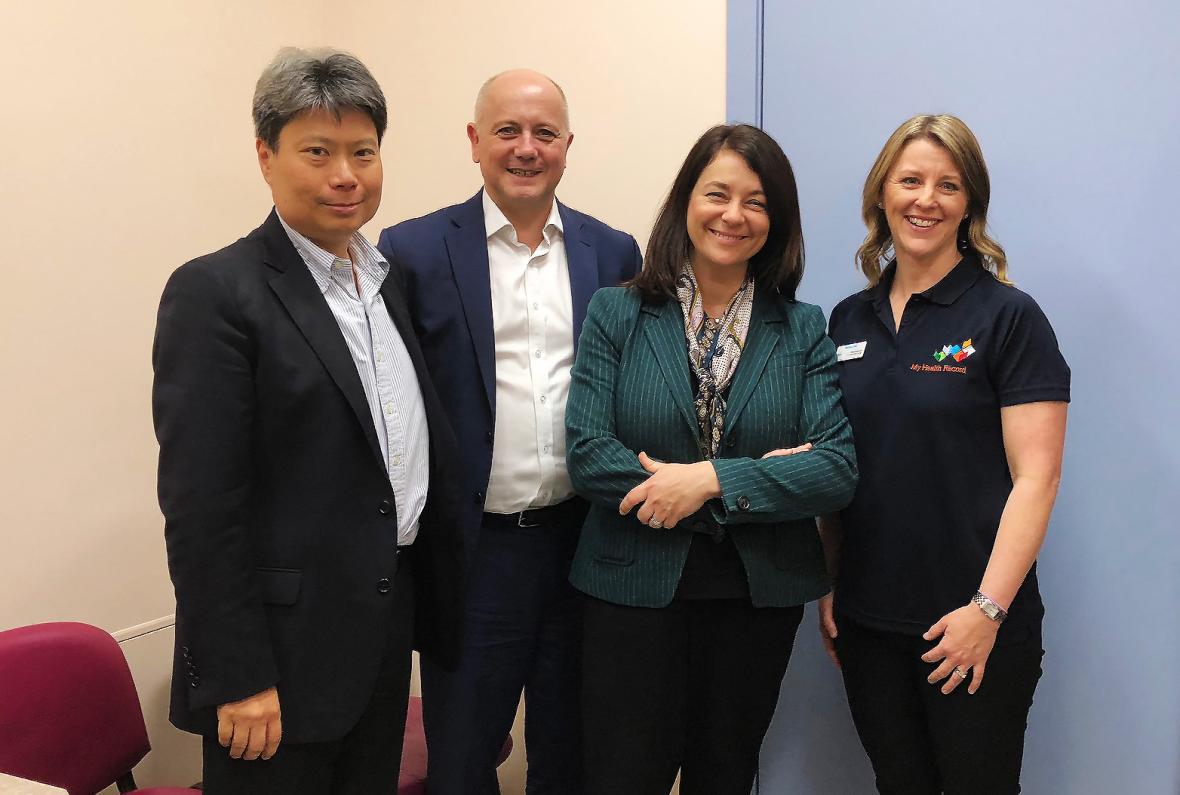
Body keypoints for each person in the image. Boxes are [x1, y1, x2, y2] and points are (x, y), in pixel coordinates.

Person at [152, 48, 464, 794]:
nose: (346, 175)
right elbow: (201, 507)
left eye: (363, 152)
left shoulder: (384, 283)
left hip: (379, 637)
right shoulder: (216, 293)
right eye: (317, 152)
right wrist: (238, 676)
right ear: (266, 155)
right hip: (276, 664)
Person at [564, 123, 858, 795]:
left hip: (755, 594)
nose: (733, 214)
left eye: (755, 201)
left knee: (724, 775)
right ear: (686, 202)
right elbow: (588, 452)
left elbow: (835, 465)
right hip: (630, 585)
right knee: (620, 775)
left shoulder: (803, 326)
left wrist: (708, 480)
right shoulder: (618, 311)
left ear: (775, 220)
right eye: (717, 193)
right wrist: (767, 476)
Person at [376, 69, 642, 794]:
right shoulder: (412, 251)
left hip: (584, 547)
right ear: (474, 141)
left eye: (544, 133)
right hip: (474, 555)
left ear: (567, 145)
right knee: (462, 759)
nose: (526, 148)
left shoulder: (613, 254)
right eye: (507, 131)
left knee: (573, 748)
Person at [821, 114, 1070, 795]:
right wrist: (831, 583)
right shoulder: (845, 321)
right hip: (869, 623)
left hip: (972, 625)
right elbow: (836, 465)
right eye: (910, 180)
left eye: (947, 184)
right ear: (881, 194)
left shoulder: (1007, 317)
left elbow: (1037, 477)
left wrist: (986, 612)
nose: (925, 199)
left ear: (969, 205)